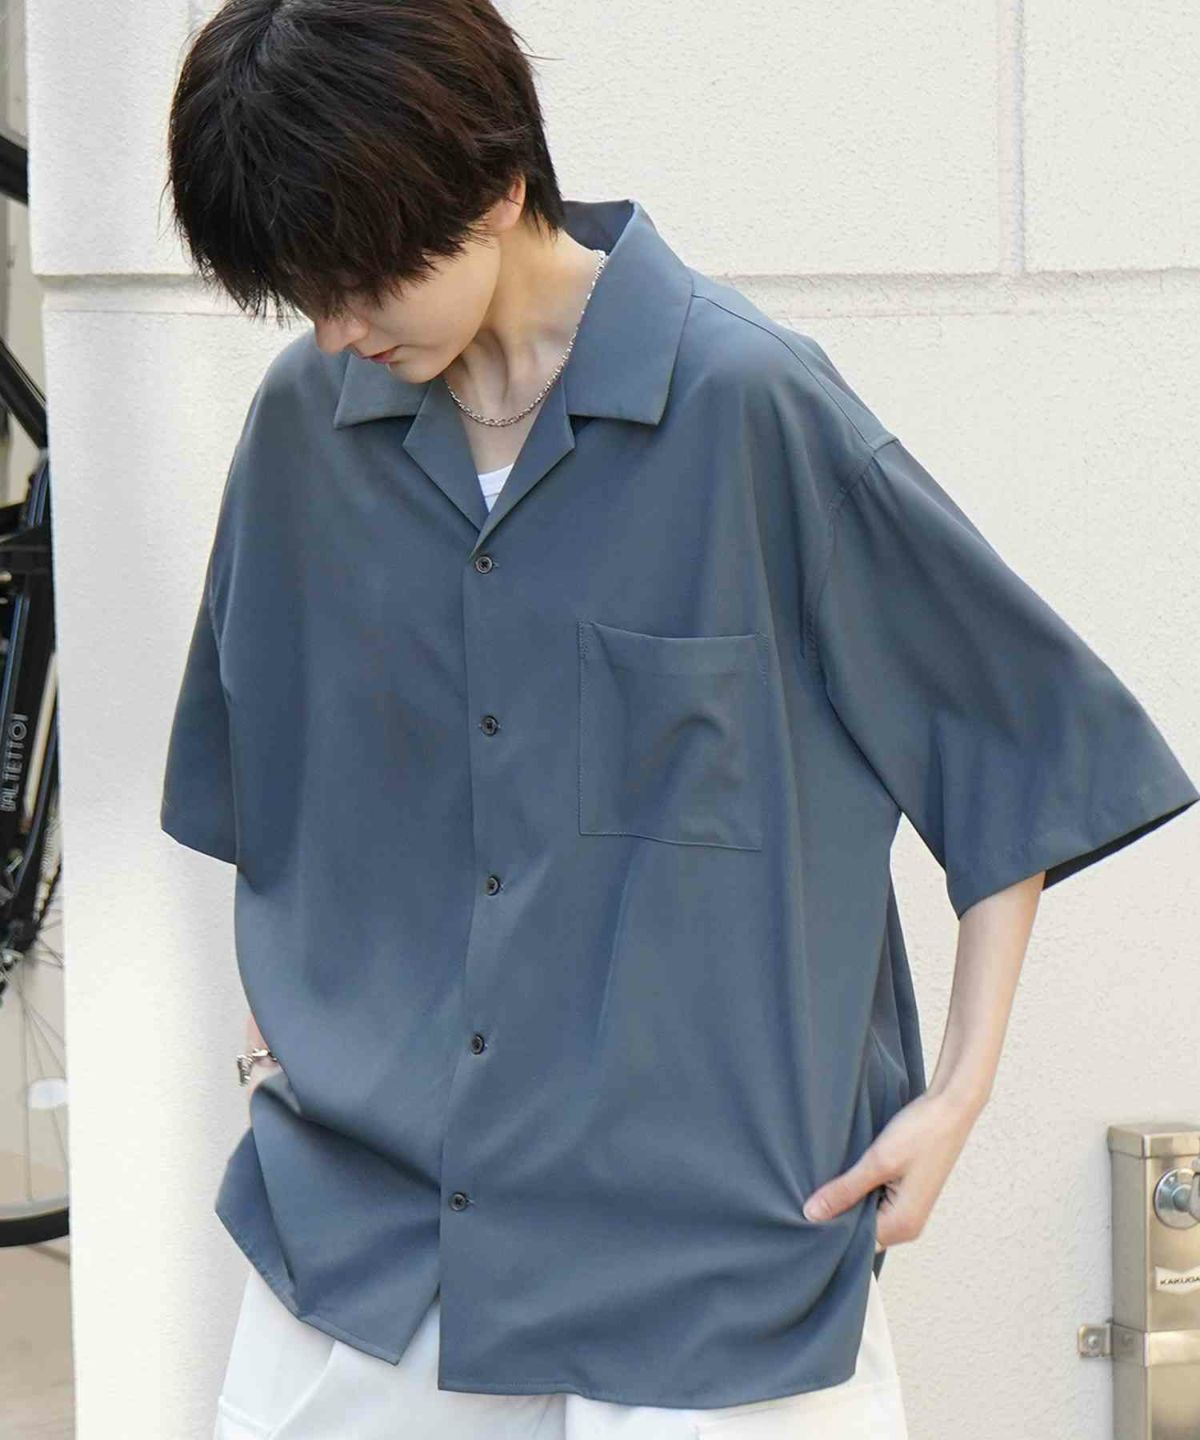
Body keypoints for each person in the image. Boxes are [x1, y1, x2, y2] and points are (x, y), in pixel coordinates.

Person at [159, 2, 1199, 1437]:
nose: (338, 328)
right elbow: (264, 776)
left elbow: (1013, 741)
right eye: (301, 292)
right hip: (378, 1251)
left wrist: (959, 1094)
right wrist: (284, 1028)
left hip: (711, 1267)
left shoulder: (751, 408)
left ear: (495, 185)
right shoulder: (305, 424)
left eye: (365, 276)